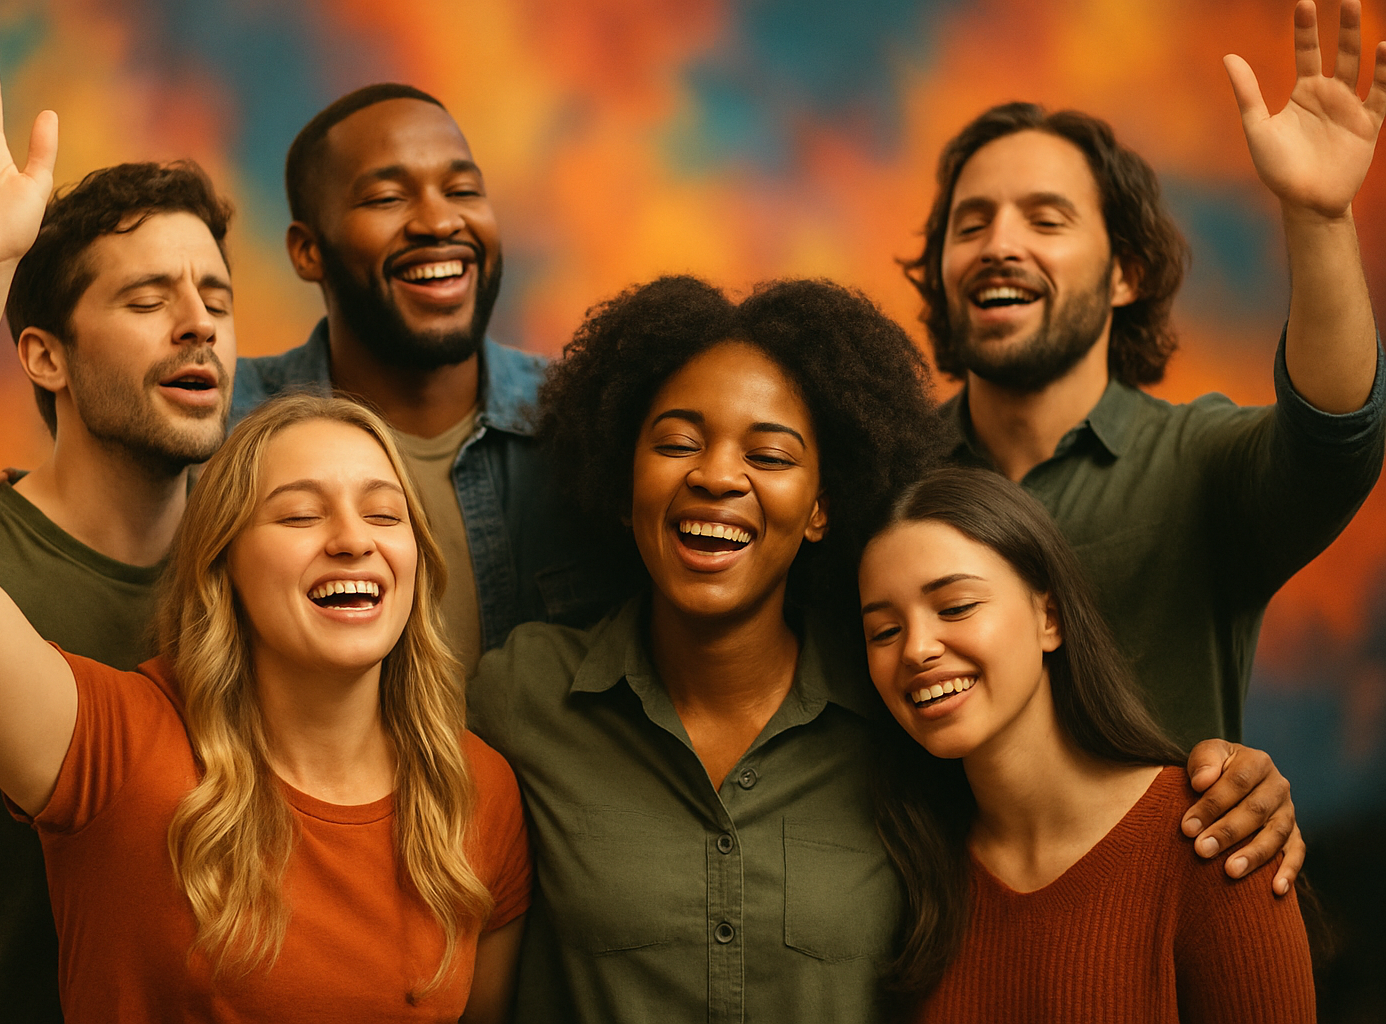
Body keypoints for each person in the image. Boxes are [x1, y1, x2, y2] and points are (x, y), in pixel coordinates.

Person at [0, 39, 528, 1023]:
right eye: (300, 514)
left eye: (385, 512)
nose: (350, 535)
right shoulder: (123, 746)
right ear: (223, 564)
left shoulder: (476, 795)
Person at [467, 274, 1300, 1024]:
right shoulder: (521, 695)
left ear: (822, 507)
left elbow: (1057, 823)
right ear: (623, 483)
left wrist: (1227, 784)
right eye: (678, 442)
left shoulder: (902, 717)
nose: (717, 476)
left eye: (768, 454)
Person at [0, 65, 237, 1024]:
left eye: (219, 302)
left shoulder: (265, 580)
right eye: (149, 301)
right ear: (45, 356)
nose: (199, 325)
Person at [901, 0, 1386, 752]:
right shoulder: (884, 476)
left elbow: (1333, 435)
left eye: (1045, 219)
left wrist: (1318, 218)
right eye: (971, 224)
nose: (999, 244)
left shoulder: (1199, 465)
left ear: (1125, 274)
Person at [856, 467, 1314, 1022]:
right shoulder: (906, 871)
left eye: (955, 607)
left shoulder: (1220, 838)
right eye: (884, 631)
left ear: (1049, 617)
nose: (916, 649)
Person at [231, 84, 608, 673]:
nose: (439, 221)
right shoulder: (223, 430)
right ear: (308, 251)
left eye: (463, 190)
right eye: (386, 198)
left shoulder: (587, 425)